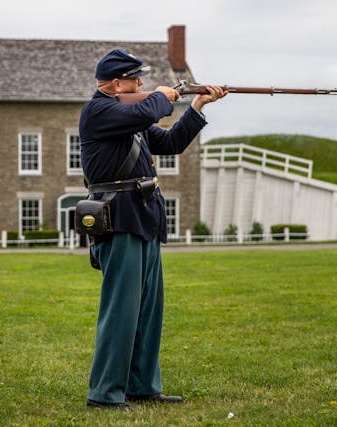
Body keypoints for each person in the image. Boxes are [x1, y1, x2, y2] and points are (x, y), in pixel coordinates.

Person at [79, 48, 227, 410]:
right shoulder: (99, 111)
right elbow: (150, 107)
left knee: (148, 309)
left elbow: (171, 143)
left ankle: (143, 385)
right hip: (118, 219)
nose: (141, 84)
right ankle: (105, 392)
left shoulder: (130, 117)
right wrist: (165, 94)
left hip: (144, 218)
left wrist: (196, 106)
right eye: (135, 79)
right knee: (121, 312)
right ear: (117, 84)